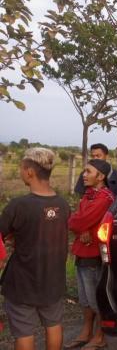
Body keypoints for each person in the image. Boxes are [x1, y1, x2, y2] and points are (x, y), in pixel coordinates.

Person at [0, 148, 69, 350]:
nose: (21, 172)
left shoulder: (18, 205)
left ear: (30, 172)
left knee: (24, 333)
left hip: (23, 283)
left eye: (22, 169)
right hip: (53, 280)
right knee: (54, 325)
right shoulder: (63, 204)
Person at [66, 159, 115, 350]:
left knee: (96, 298)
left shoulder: (105, 198)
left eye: (88, 171)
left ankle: (100, 336)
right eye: (84, 171)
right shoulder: (88, 195)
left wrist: (80, 226)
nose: (83, 175)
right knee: (85, 298)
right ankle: (86, 332)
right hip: (81, 250)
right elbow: (75, 220)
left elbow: (78, 221)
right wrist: (81, 229)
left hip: (94, 254)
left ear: (101, 176)